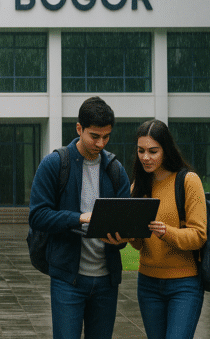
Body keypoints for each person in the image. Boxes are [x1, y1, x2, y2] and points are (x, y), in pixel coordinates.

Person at [29, 96, 131, 339]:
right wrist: (79, 218)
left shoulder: (116, 170)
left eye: (106, 136)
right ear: (79, 128)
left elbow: (124, 225)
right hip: (68, 280)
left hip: (107, 281)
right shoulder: (55, 164)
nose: (101, 143)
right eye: (94, 136)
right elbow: (38, 216)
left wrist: (121, 239)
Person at [127, 119, 207, 339]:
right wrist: (128, 232)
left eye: (153, 151)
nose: (146, 157)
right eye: (141, 151)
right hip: (147, 284)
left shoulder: (188, 181)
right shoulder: (138, 186)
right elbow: (138, 243)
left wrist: (166, 232)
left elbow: (199, 235)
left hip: (184, 285)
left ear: (166, 149)